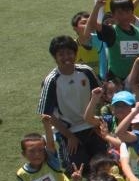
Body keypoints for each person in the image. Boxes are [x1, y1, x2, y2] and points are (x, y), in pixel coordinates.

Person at [39, 36, 106, 171]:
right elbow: (47, 114)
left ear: (75, 54)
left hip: (91, 126)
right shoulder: (51, 80)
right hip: (69, 131)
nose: (66, 57)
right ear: (55, 57)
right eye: (61, 54)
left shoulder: (86, 71)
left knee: (104, 163)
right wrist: (69, 136)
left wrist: (96, 121)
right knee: (78, 168)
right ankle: (66, 153)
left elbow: (100, 97)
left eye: (69, 53)